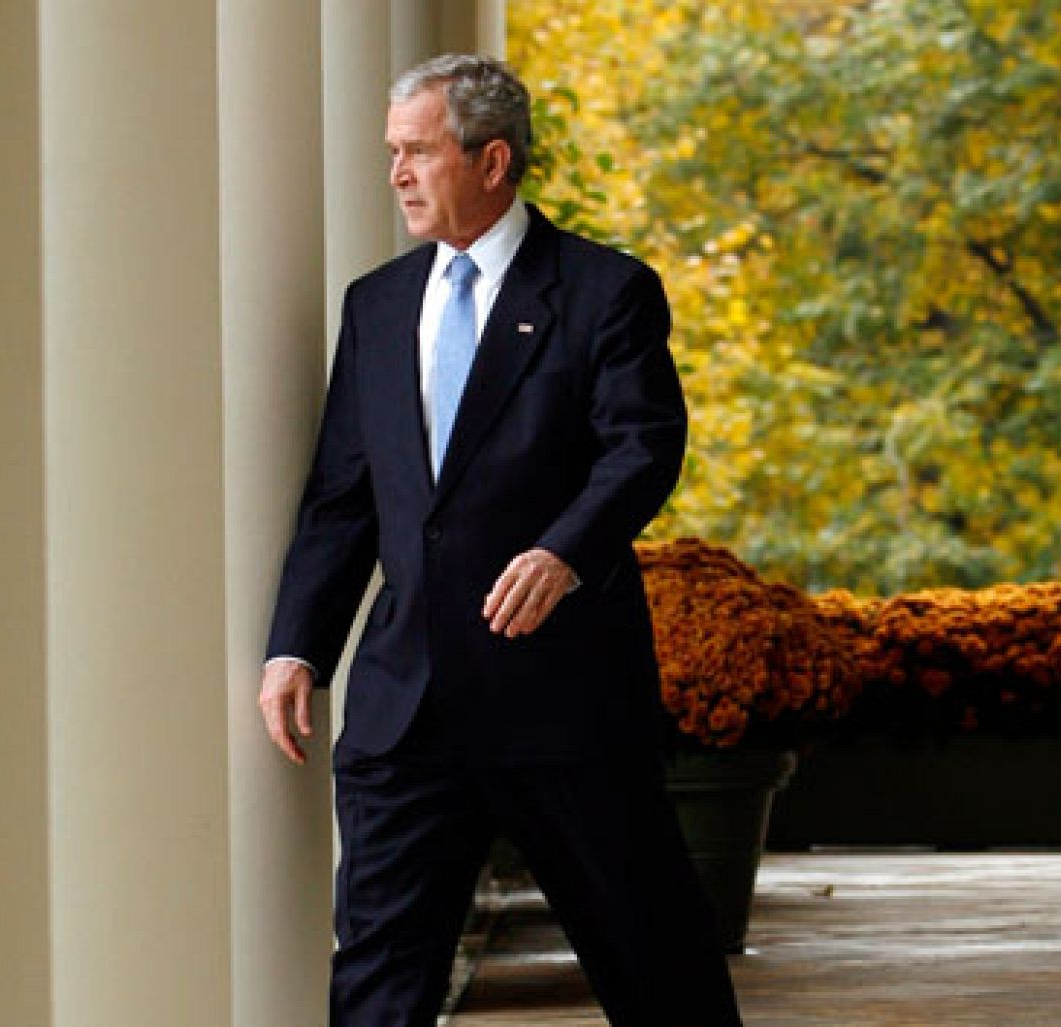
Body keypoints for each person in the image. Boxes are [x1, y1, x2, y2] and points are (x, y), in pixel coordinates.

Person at [258, 55, 742, 1025]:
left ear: (491, 161)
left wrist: (564, 552)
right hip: (406, 715)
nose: (395, 172)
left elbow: (642, 448)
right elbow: (343, 497)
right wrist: (297, 644)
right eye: (390, 152)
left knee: (661, 975)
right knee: (377, 988)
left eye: (417, 152)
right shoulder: (377, 304)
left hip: (563, 705)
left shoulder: (606, 292)